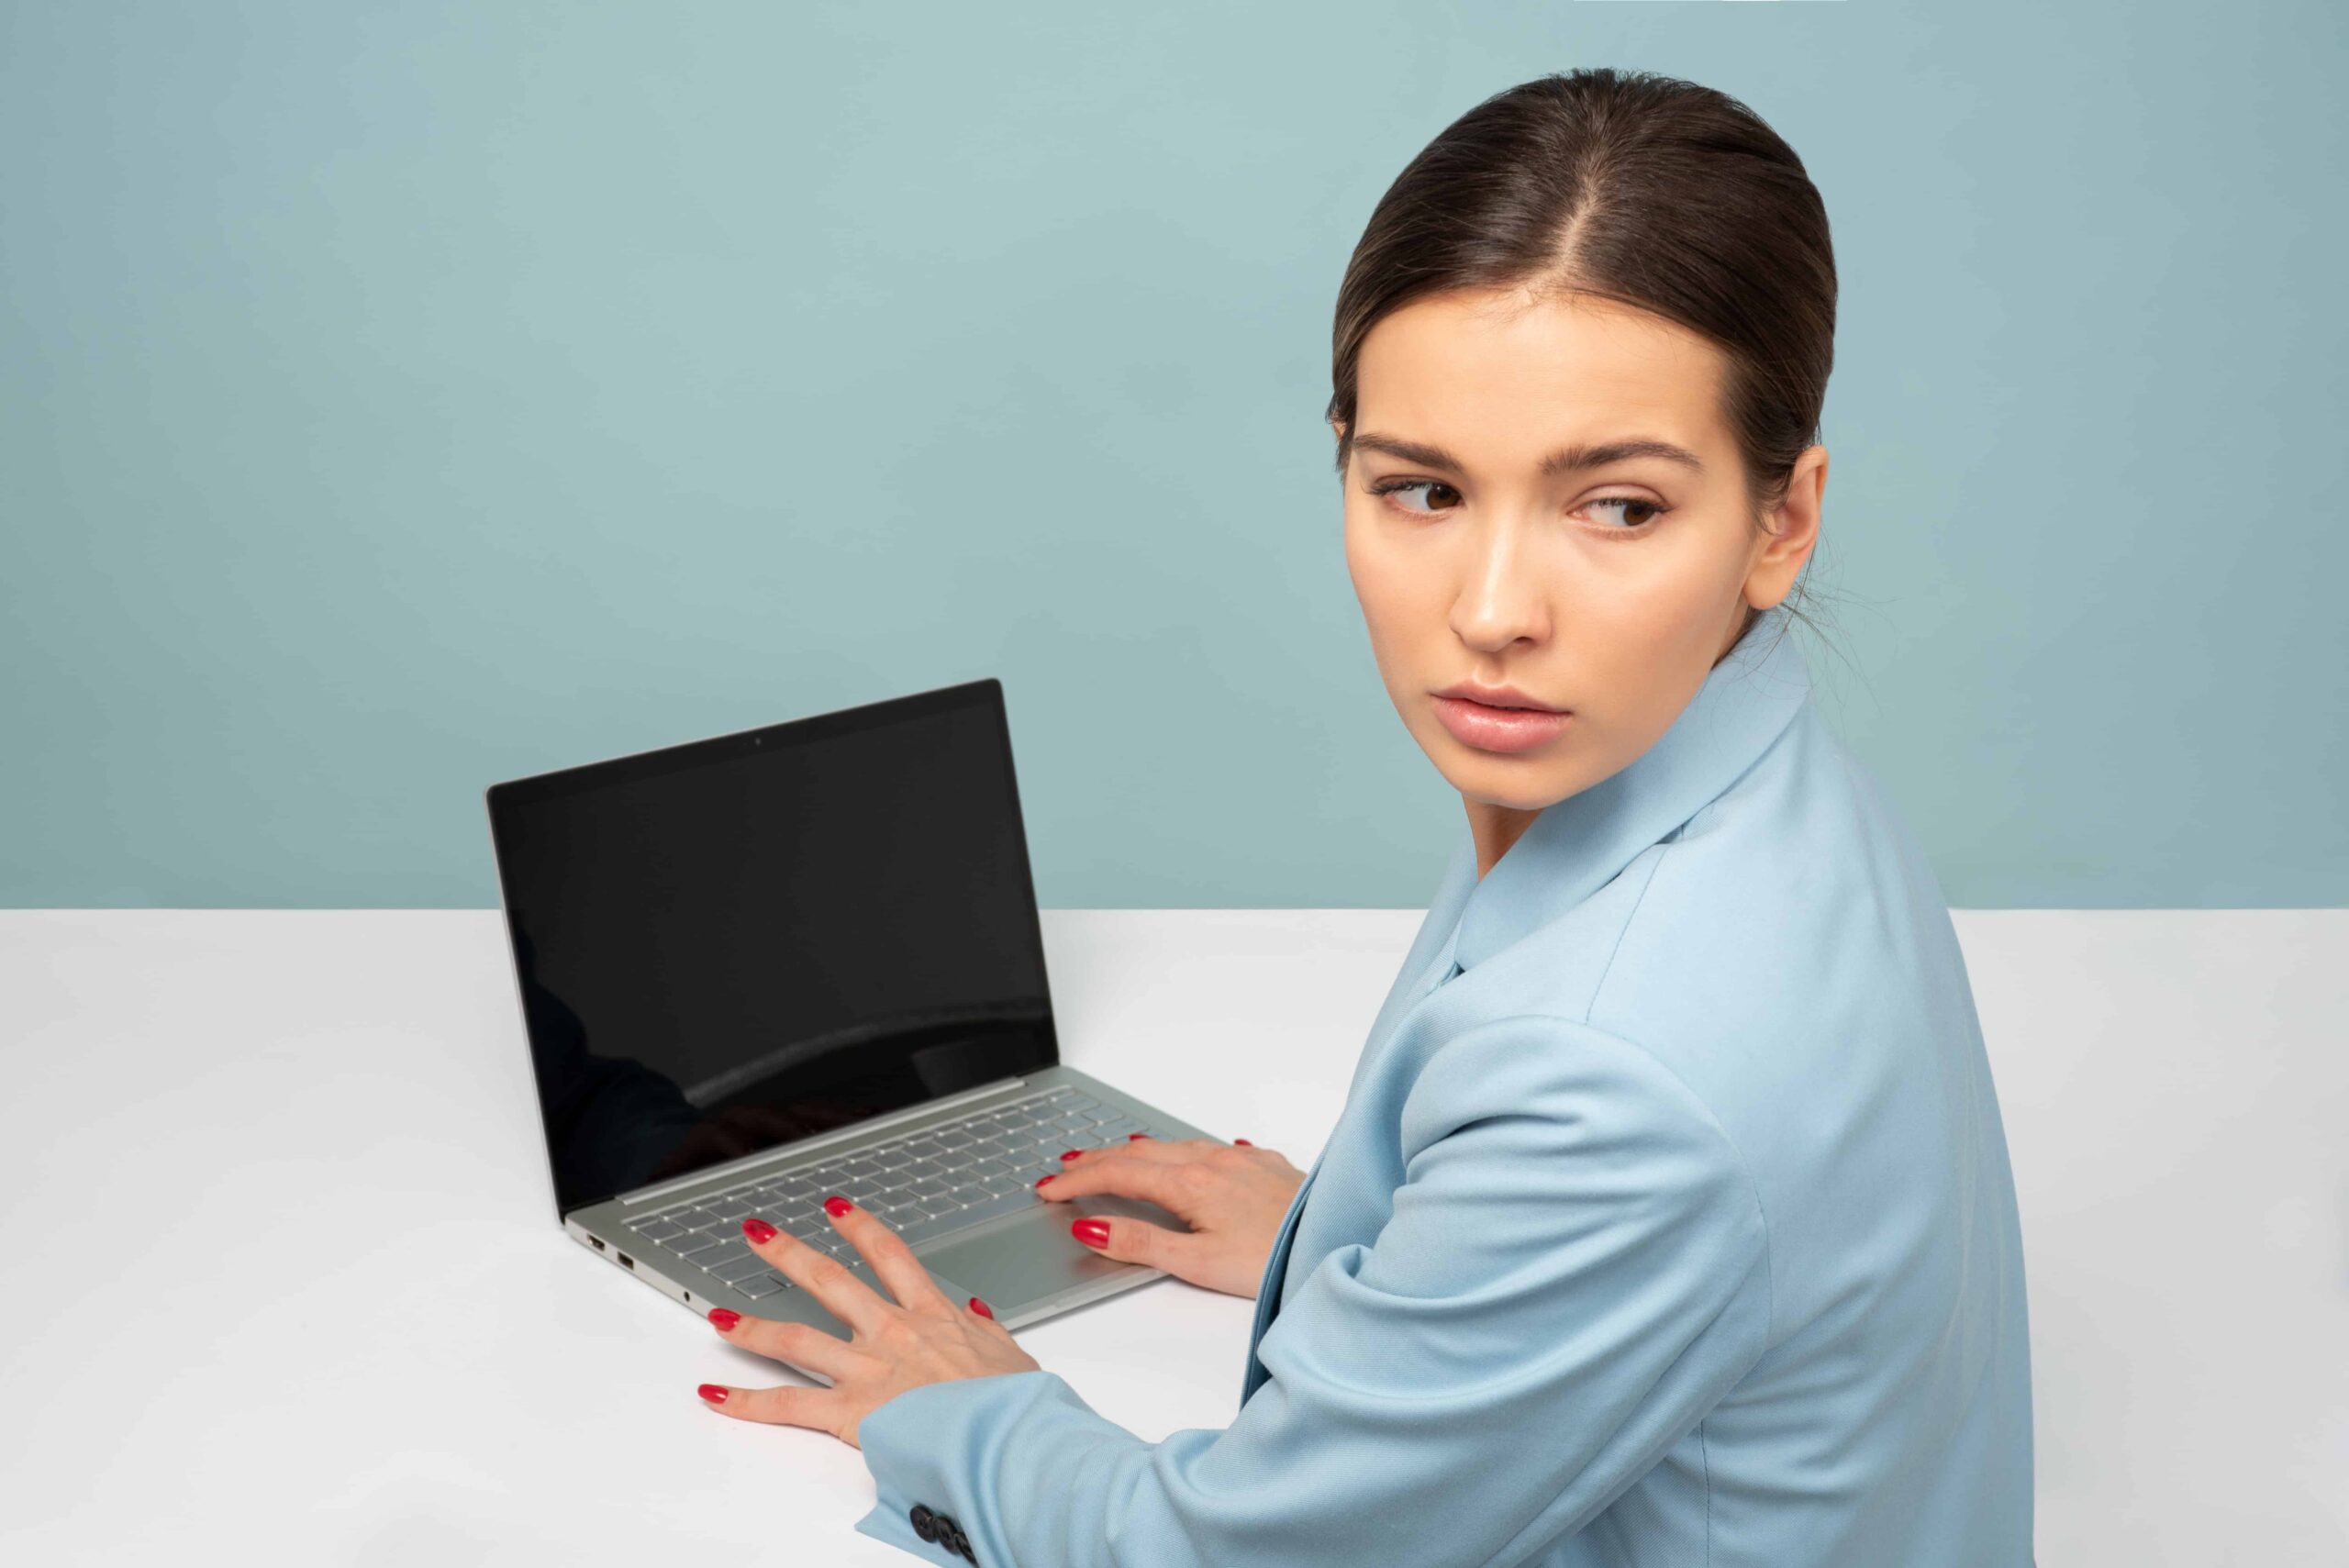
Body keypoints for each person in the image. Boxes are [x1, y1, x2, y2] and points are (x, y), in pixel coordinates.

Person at [689, 67, 2034, 1567]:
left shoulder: (1612, 1088)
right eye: (1422, 488)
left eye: (1620, 506)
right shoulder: (1760, 780)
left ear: (1781, 519)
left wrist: (971, 1408)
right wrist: (1351, 1251)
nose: (1494, 611)